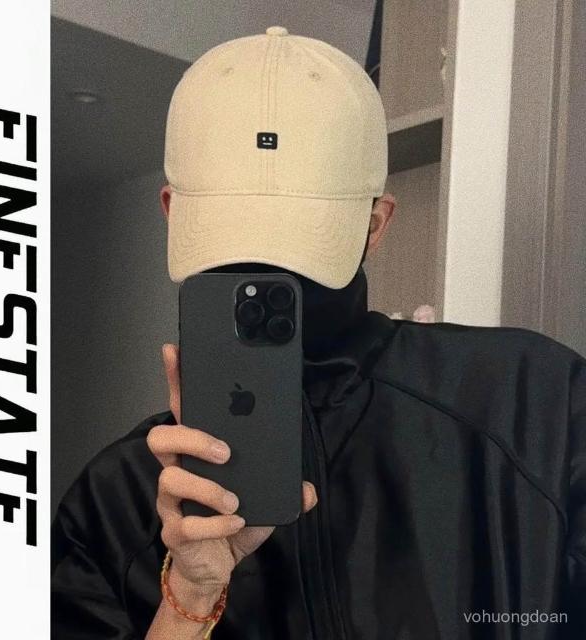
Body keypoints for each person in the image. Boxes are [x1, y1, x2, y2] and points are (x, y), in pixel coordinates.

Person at [52, 27, 586, 639]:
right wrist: (189, 600)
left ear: (375, 223)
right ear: (173, 211)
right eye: (235, 231)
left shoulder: (537, 405)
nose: (265, 268)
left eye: (297, 239)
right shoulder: (114, 500)